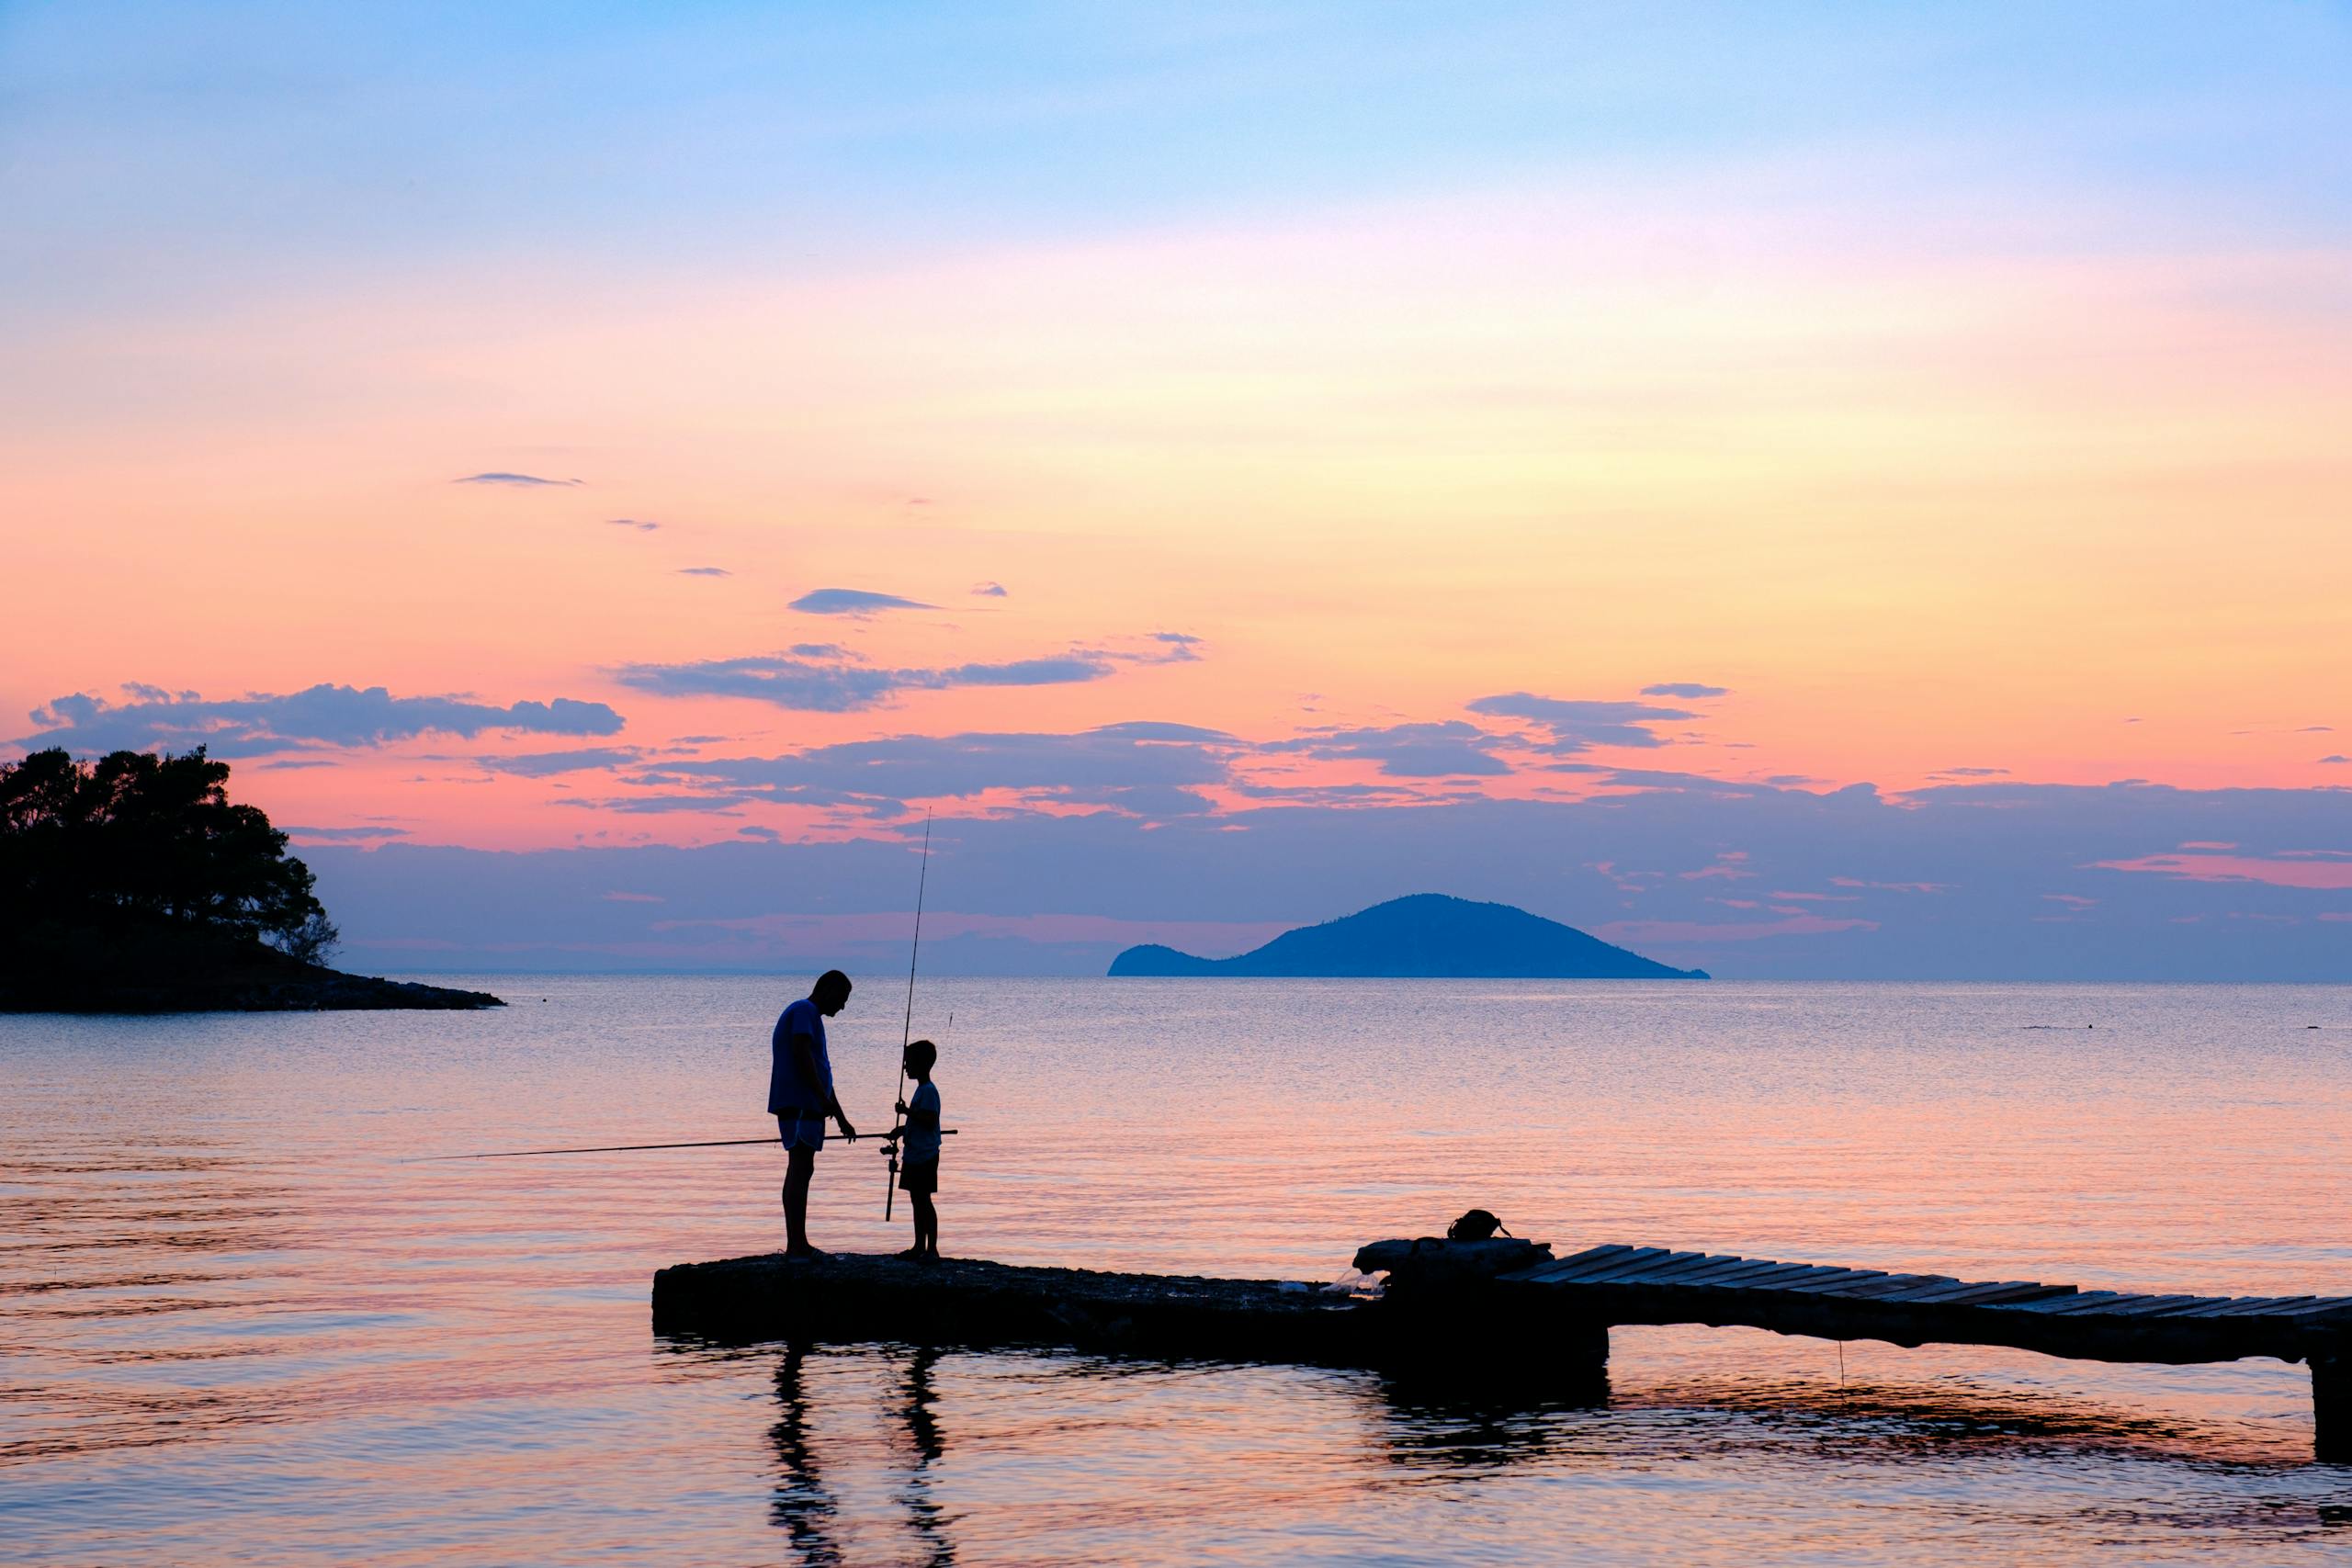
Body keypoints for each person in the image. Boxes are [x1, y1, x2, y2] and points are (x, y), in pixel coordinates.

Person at [770, 969, 857, 1258]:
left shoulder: (809, 1017)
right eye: (842, 998)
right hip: (799, 1104)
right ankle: (797, 1244)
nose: (842, 1006)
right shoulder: (805, 1011)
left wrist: (840, 1116)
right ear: (828, 989)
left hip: (806, 1104)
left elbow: (822, 1073)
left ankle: (799, 1241)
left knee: (803, 1167)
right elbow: (802, 1055)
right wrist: (821, 1098)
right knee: (799, 1167)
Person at [893, 1037, 943, 1262]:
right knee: (916, 1200)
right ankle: (918, 1246)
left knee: (924, 1200)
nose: (905, 1067)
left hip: (925, 1156)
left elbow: (930, 1120)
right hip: (914, 1154)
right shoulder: (921, 1091)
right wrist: (902, 1130)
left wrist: (906, 1112)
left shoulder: (929, 1091)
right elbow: (919, 1123)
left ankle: (931, 1249)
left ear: (921, 1064)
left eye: (909, 1063)